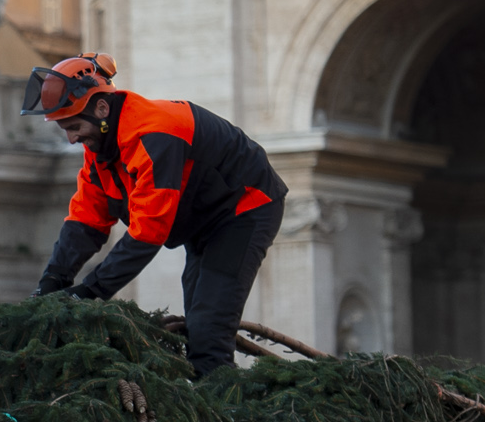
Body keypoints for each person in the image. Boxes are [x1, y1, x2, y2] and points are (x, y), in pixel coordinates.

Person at [23, 53, 287, 374]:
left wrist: (90, 292)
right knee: (198, 327)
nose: (72, 138)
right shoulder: (100, 147)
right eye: (65, 129)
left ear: (102, 109)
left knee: (208, 331)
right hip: (205, 223)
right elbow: (86, 219)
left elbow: (147, 233)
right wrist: (52, 280)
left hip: (247, 209)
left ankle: (226, 415)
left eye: (75, 126)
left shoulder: (154, 134)